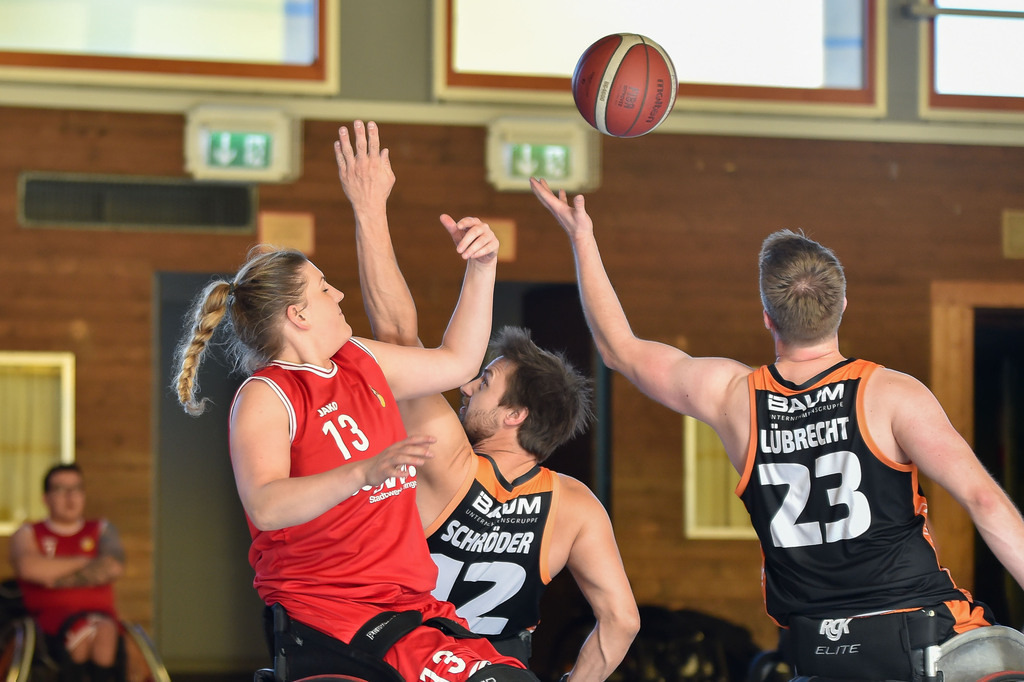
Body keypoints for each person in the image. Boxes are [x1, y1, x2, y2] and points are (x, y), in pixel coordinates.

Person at [530, 176, 1024, 679]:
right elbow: (984, 500)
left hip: (819, 652)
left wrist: (582, 238)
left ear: (767, 317)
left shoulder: (732, 397)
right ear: (842, 307)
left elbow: (620, 350)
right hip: (922, 636)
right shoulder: (891, 393)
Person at [171, 134, 539, 682]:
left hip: (406, 605)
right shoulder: (267, 394)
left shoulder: (358, 359)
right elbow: (267, 505)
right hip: (329, 617)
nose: (340, 295)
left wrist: (481, 267)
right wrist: (364, 471)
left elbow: (459, 362)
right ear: (298, 315)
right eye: (325, 289)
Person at [336, 119, 640, 681]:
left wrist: (369, 206)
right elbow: (621, 620)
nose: (468, 383)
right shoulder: (576, 506)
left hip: (415, 667)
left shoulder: (449, 461)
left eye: (485, 381)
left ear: (514, 415)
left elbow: (399, 335)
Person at [9, 463, 125, 682]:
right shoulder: (28, 533)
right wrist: (84, 561)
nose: (70, 497)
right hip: (49, 625)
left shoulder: (102, 529)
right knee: (86, 632)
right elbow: (29, 568)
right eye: (61, 489)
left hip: (102, 620)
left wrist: (52, 575)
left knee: (102, 629)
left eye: (77, 489)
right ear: (46, 498)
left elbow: (112, 567)